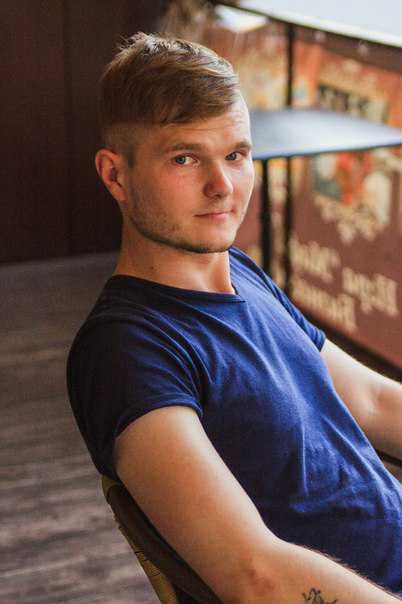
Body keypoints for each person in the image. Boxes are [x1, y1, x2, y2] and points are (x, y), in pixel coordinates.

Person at [67, 32, 402, 603]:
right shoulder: (127, 349)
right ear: (115, 175)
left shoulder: (239, 271)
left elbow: (370, 400)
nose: (222, 187)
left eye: (236, 155)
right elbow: (255, 576)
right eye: (184, 158)